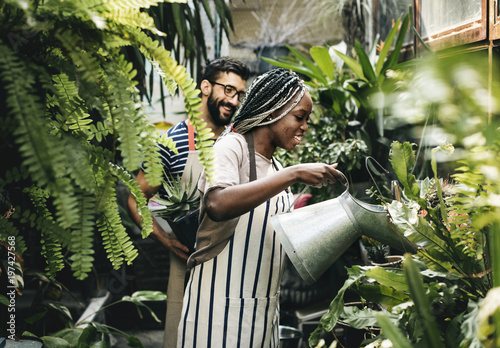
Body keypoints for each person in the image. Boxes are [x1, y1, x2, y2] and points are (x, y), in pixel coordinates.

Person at [177, 68, 346, 348]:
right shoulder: (231, 147)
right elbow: (217, 203)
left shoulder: (275, 167)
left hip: (262, 310)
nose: (304, 126)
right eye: (299, 117)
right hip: (218, 313)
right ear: (271, 113)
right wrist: (294, 174)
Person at [127, 57, 250, 348]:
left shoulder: (241, 142)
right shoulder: (171, 142)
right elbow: (136, 200)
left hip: (234, 261)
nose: (234, 101)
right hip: (187, 264)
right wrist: (166, 241)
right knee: (183, 338)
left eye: (240, 95)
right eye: (228, 90)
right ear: (205, 87)